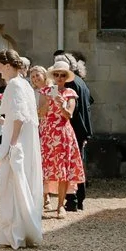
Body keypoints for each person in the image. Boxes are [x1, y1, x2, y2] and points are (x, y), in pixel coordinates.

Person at [0, 51, 43, 249]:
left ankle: (16, 232)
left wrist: (12, 143)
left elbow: (20, 117)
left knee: (13, 182)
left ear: (7, 65)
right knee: (20, 181)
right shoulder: (24, 84)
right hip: (23, 138)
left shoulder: (14, 84)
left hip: (18, 140)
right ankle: (19, 230)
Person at [40, 63, 86, 217]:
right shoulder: (45, 91)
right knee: (44, 167)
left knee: (63, 169)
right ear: (53, 76)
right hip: (47, 133)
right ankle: (42, 201)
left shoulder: (70, 93)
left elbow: (69, 115)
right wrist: (48, 101)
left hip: (63, 133)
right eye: (57, 74)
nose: (59, 78)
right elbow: (41, 113)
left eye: (63, 75)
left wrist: (61, 105)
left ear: (66, 77)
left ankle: (60, 205)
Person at [56, 54, 92, 212]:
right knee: (78, 163)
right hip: (82, 127)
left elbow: (72, 110)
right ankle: (79, 199)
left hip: (73, 126)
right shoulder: (81, 81)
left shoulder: (70, 84)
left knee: (71, 164)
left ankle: (73, 200)